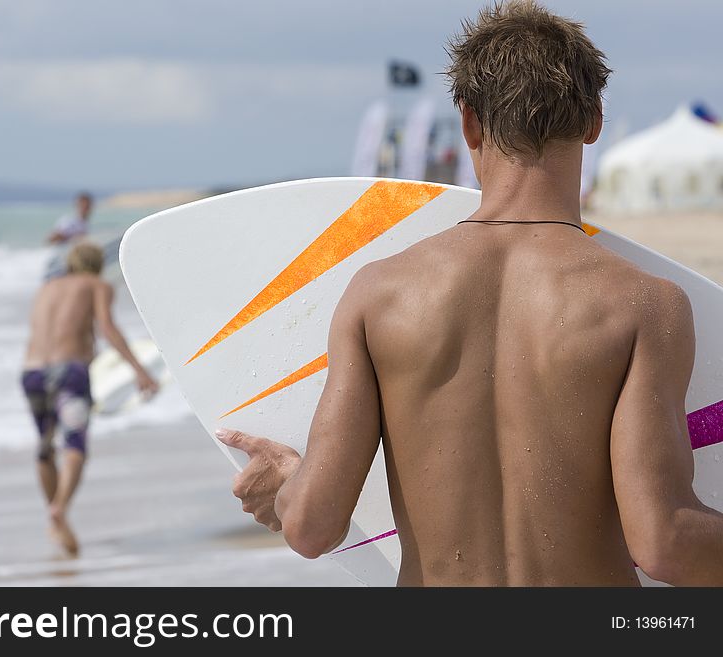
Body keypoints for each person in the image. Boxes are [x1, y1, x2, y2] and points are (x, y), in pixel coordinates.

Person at [216, 0, 723, 586]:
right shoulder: (643, 306)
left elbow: (311, 526)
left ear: (469, 124)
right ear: (593, 122)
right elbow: (665, 544)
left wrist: (287, 482)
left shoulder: (378, 294)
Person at [22, 242, 159, 555]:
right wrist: (139, 370)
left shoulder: (46, 288)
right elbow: (107, 328)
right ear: (98, 264)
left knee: (45, 447)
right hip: (69, 374)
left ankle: (54, 516)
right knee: (74, 447)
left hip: (32, 374)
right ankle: (59, 508)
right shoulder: (98, 285)